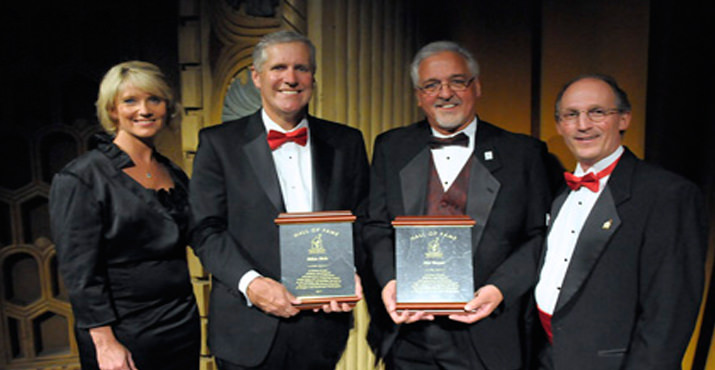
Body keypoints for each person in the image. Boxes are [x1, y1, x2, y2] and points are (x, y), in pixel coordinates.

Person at [364, 40, 553, 370]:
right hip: (408, 336)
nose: (445, 93)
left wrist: (499, 290)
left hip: (489, 333)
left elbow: (539, 236)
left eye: (457, 81)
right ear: (418, 95)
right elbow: (376, 226)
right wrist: (390, 282)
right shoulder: (391, 147)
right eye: (432, 85)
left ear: (476, 87)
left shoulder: (524, 153)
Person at [188, 30, 369, 370]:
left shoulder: (347, 142)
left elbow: (361, 219)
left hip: (322, 328)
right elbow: (205, 230)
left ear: (313, 77)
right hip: (247, 327)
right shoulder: (218, 144)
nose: (290, 78)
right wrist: (251, 284)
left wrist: (351, 270)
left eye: (301, 68)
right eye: (279, 68)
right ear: (257, 77)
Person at [533, 74, 707, 369]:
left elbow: (669, 316)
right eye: (571, 115)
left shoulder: (667, 194)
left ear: (624, 119)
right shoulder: (561, 194)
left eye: (597, 112)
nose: (583, 124)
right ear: (560, 125)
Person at [49, 61, 200, 370]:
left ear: (167, 107)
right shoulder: (82, 178)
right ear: (113, 110)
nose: (144, 109)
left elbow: (203, 236)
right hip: (122, 330)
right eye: (130, 101)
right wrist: (105, 343)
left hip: (180, 323)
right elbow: (81, 274)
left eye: (154, 99)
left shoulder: (174, 173)